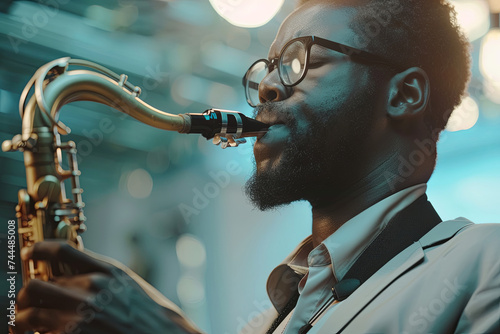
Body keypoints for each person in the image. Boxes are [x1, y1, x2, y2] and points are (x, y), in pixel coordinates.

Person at [13, 0, 500, 333]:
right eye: (268, 67)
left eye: (299, 60)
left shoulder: (485, 263)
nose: (267, 87)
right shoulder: (265, 323)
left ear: (405, 94)